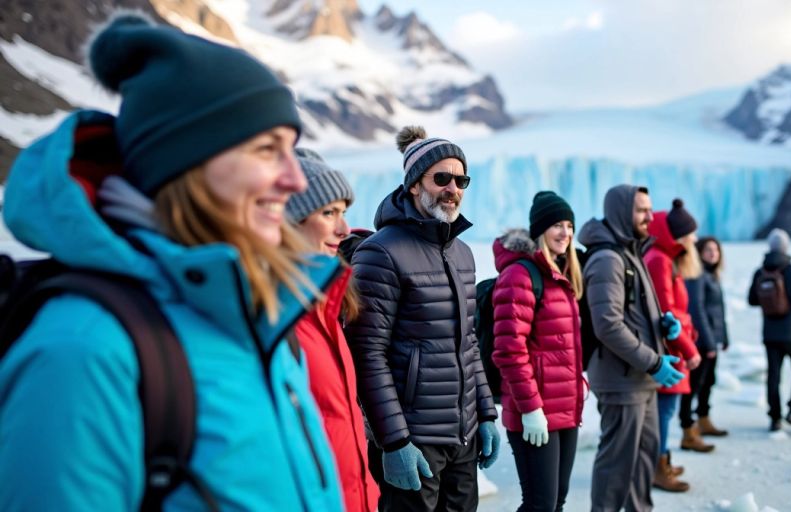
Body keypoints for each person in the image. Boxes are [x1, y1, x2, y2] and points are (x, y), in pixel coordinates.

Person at [0, 15, 343, 510]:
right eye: (267, 150)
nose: (295, 180)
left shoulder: (258, 313)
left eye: (291, 151)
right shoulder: (83, 351)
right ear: (187, 160)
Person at [346, 126, 500, 511]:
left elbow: (469, 345)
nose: (453, 188)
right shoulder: (379, 253)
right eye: (441, 178)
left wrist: (485, 412)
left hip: (461, 436)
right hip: (413, 437)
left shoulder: (463, 253)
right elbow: (367, 355)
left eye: (460, 179)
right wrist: (394, 441)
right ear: (415, 185)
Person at [578, 184, 685, 512]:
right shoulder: (608, 259)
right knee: (617, 467)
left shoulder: (630, 252)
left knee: (642, 462)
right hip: (621, 380)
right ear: (622, 211)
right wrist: (654, 362)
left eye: (650, 210)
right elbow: (608, 325)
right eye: (641, 210)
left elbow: (631, 312)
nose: (649, 217)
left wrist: (661, 325)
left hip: (640, 378)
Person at [287, 148, 381, 512]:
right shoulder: (277, 319)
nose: (344, 230)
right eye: (329, 213)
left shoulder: (326, 309)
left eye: (344, 213)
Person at [491, 191, 586, 512]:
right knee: (539, 505)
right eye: (557, 225)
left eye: (569, 225)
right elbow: (508, 349)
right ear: (540, 229)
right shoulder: (520, 275)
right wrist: (531, 409)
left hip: (565, 409)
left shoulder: (561, 276)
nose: (565, 233)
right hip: (535, 411)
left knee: (555, 502)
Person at [642, 199, 704, 494]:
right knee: (664, 410)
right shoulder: (660, 260)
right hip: (669, 348)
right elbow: (667, 312)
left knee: (665, 409)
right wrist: (688, 349)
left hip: (673, 345)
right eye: (690, 232)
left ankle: (661, 459)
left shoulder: (665, 258)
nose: (694, 238)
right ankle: (658, 466)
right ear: (678, 234)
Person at [747, 228, 791, 432]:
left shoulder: (760, 272)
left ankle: (775, 419)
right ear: (786, 247)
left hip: (770, 334)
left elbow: (752, 300)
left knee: (773, 376)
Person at [685, 236, 731, 439]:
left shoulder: (712, 275)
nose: (713, 254)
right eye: (708, 250)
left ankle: (703, 419)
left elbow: (718, 310)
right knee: (695, 384)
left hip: (712, 338)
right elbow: (698, 309)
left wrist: (724, 336)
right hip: (702, 340)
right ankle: (688, 425)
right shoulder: (698, 275)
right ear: (699, 253)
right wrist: (709, 342)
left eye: (716, 250)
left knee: (708, 381)